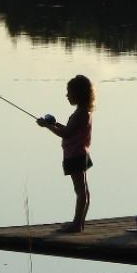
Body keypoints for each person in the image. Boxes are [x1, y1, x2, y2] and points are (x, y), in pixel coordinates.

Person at [37, 75, 95, 233]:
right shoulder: (84, 112)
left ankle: (77, 224)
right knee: (84, 190)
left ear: (78, 94)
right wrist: (54, 124)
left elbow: (66, 134)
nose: (67, 95)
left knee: (80, 191)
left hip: (75, 156)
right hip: (81, 154)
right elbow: (70, 129)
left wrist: (46, 126)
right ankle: (80, 223)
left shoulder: (79, 114)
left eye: (69, 92)